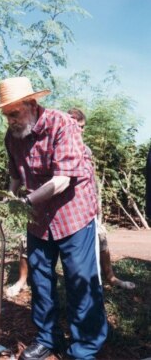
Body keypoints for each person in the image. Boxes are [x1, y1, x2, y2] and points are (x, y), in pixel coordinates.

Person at [0, 77, 108, 360]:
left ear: (31, 104)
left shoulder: (62, 124)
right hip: (38, 218)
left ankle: (85, 347)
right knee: (40, 280)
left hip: (73, 214)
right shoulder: (12, 137)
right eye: (6, 115)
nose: (10, 121)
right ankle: (47, 338)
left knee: (80, 279)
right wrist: (10, 198)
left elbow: (63, 180)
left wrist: (25, 202)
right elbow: (16, 176)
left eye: (14, 113)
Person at [67, 108, 135, 290]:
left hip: (86, 207)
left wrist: (97, 205)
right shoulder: (57, 147)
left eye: (82, 127)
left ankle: (111, 277)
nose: (79, 130)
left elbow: (91, 180)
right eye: (75, 125)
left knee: (102, 238)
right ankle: (23, 280)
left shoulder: (86, 150)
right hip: (66, 212)